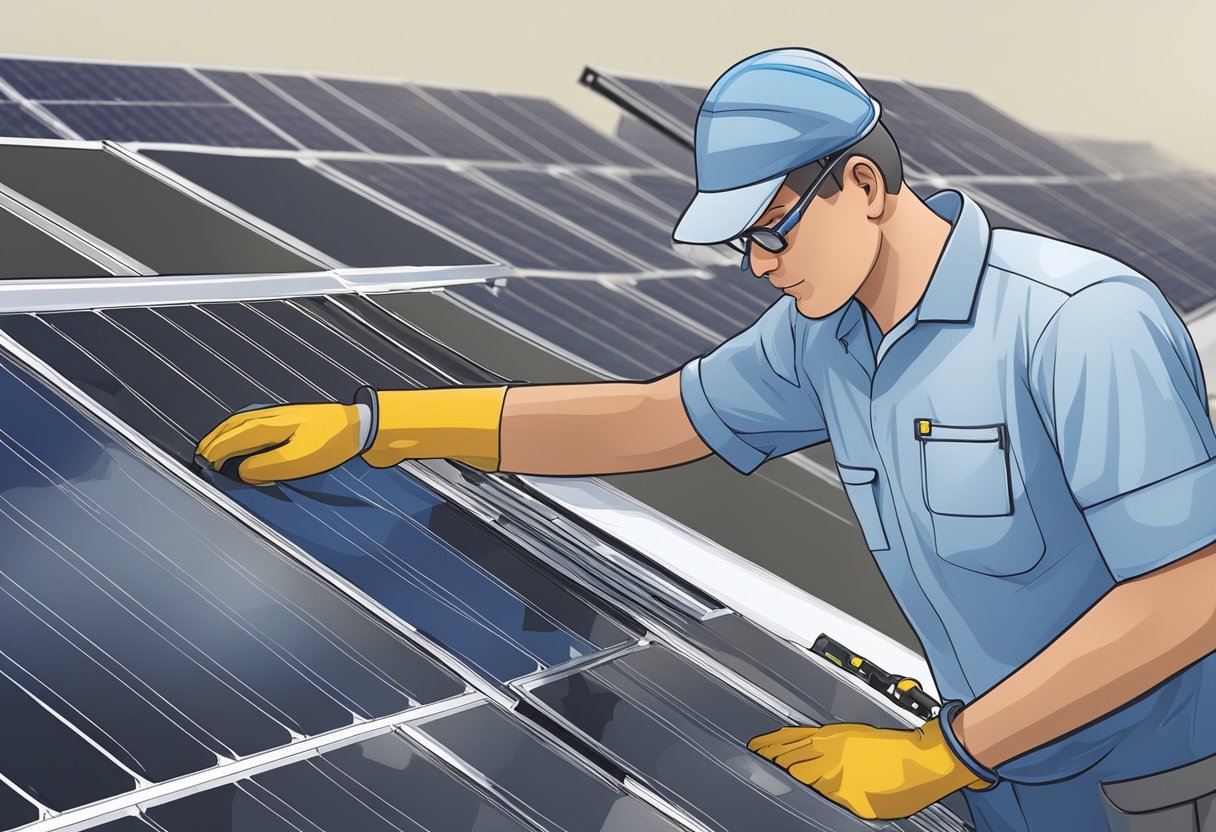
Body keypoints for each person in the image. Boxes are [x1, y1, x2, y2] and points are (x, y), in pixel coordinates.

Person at [195, 48, 1216, 832]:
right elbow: (654, 417)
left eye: (767, 230)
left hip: (1156, 788)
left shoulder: (1080, 319)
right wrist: (389, 424)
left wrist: (940, 755)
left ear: (861, 185)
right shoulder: (829, 332)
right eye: (739, 244)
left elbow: (1187, 592)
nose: (756, 266)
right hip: (1008, 786)